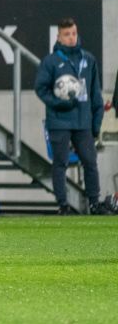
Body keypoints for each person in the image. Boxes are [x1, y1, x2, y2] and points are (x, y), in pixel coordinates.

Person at [34, 18, 108, 215]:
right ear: (58, 36)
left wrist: (96, 123)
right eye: (66, 34)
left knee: (90, 162)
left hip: (83, 122)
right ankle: (63, 205)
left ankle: (94, 203)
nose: (71, 37)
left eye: (74, 33)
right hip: (59, 121)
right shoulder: (50, 62)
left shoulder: (88, 59)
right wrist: (61, 103)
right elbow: (40, 89)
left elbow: (95, 94)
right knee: (61, 163)